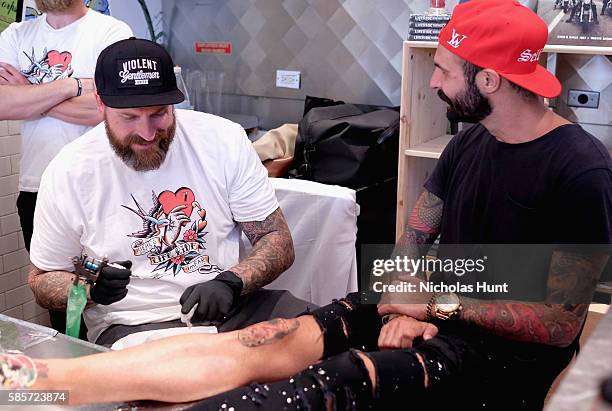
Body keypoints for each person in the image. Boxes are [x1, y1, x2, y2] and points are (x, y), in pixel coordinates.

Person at [8, 0, 611, 409]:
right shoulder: (474, 142)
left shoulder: (580, 171)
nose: (432, 83)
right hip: (437, 312)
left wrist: (437, 306)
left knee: (333, 383)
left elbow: (558, 321)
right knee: (267, 339)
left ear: (490, 81)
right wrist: (411, 302)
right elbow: (418, 235)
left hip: (505, 356)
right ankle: (37, 380)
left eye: (447, 71)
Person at [27, 37, 311, 346]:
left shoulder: (222, 140)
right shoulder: (69, 171)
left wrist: (233, 282)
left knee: (327, 333)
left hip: (233, 310)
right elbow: (42, 280)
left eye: (159, 113)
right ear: (101, 105)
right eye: (129, 117)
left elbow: (276, 239)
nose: (147, 133)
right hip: (135, 325)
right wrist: (88, 289)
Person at [0, 0, 132, 251]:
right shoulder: (15, 36)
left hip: (100, 186)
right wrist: (71, 86)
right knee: (48, 284)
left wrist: (27, 93)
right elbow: (3, 106)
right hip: (37, 187)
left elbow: (104, 109)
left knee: (101, 285)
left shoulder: (112, 33)